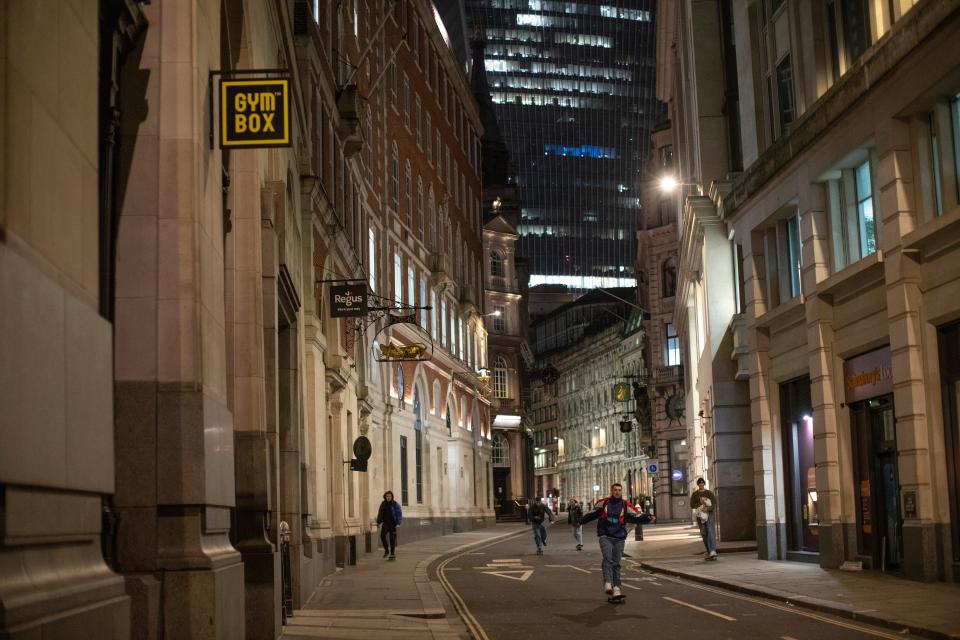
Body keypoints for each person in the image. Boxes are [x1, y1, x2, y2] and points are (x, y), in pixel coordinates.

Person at [580, 483, 654, 600]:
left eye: (619, 490)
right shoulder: (603, 503)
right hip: (605, 535)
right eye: (615, 490)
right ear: (611, 491)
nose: (617, 492)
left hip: (619, 537)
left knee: (617, 563)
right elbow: (592, 515)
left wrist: (648, 517)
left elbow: (636, 515)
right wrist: (580, 521)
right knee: (608, 558)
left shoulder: (625, 505)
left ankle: (617, 589)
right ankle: (608, 583)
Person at [690, 477, 718, 560]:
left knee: (710, 532)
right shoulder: (695, 494)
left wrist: (707, 509)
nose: (701, 484)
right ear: (698, 484)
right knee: (703, 533)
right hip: (700, 516)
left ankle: (713, 550)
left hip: (709, 515)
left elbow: (714, 504)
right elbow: (692, 504)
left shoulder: (709, 493)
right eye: (699, 483)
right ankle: (709, 551)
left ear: (704, 484)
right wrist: (700, 506)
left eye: (702, 483)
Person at [376, 491, 402, 559]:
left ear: (392, 497)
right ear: (385, 497)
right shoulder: (383, 504)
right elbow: (380, 513)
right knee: (382, 535)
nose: (388, 497)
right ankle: (387, 550)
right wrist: (378, 522)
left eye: (390, 496)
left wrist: (398, 523)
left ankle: (392, 553)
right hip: (385, 524)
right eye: (387, 496)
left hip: (393, 524)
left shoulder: (395, 504)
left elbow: (399, 514)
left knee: (392, 539)